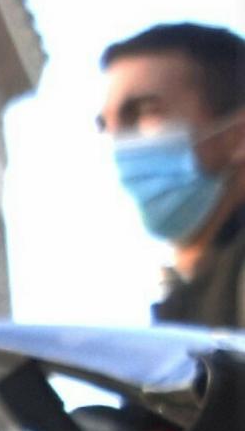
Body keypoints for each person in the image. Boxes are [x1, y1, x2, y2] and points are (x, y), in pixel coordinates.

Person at [97, 21, 245, 330]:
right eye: (105, 125)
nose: (118, 143)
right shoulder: (192, 297)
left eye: (143, 112)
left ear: (238, 136)